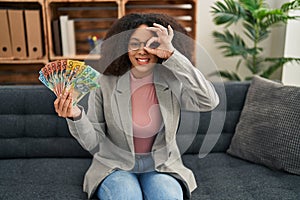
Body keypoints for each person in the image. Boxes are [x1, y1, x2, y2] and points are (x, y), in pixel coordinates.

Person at [54, 13, 219, 200]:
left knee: (167, 196)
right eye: (135, 43)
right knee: (126, 195)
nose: (143, 50)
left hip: (161, 166)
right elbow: (94, 141)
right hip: (115, 166)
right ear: (124, 47)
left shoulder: (174, 81)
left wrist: (173, 55)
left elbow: (209, 101)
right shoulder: (105, 83)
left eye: (152, 44)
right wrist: (75, 115)